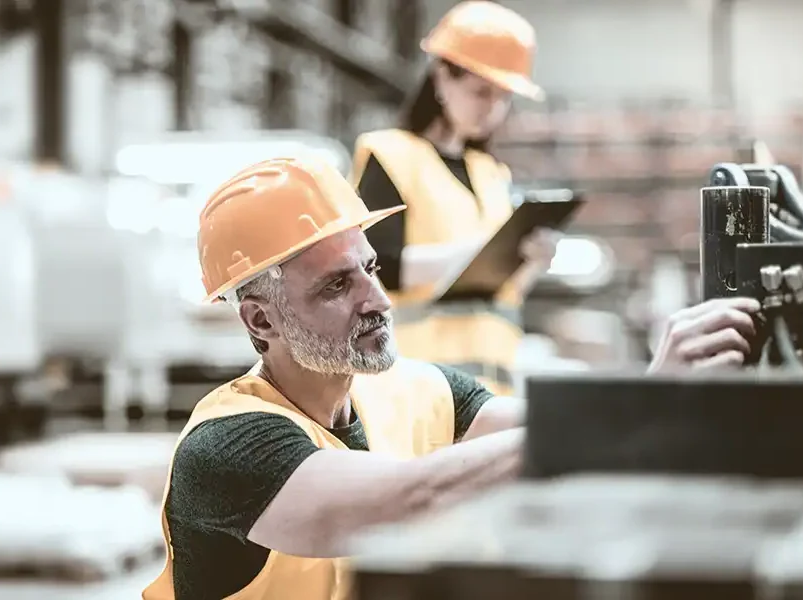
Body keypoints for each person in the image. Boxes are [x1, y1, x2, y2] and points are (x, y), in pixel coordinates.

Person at [143, 156, 761, 600]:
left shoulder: (419, 390)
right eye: (337, 284)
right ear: (260, 318)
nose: (378, 299)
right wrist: (649, 404)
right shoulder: (226, 447)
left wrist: (663, 395)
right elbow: (410, 496)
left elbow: (560, 435)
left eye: (371, 268)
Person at [352, 1, 558, 395]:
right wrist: (482, 250)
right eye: (481, 92)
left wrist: (531, 261)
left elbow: (500, 292)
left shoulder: (492, 174)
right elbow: (379, 267)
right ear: (441, 77)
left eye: (504, 97)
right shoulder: (391, 155)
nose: (493, 109)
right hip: (417, 389)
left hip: (493, 391)